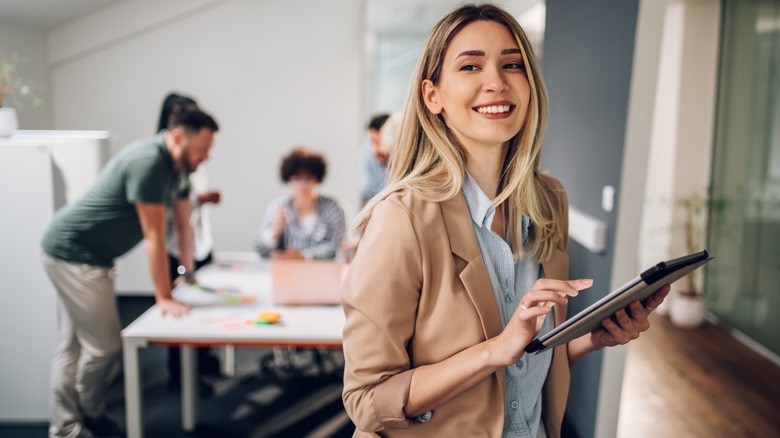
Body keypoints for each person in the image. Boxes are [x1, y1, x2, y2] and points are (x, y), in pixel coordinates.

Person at [340, 4, 670, 438]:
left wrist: (592, 338)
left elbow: (524, 368)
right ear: (432, 96)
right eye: (471, 65)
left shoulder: (549, 200)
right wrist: (495, 350)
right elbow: (366, 402)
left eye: (512, 64)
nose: (496, 82)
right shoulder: (402, 218)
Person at [41, 107, 219, 438]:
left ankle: (69, 424)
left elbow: (182, 226)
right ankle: (83, 417)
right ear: (178, 137)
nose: (205, 157)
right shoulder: (148, 162)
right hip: (74, 253)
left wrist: (188, 273)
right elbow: (153, 237)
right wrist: (163, 297)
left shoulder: (179, 169)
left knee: (74, 344)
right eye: (202, 149)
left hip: (95, 257)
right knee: (104, 346)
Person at [156, 92, 223, 392]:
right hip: (177, 248)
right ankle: (181, 377)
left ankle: (201, 364)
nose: (206, 155)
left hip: (197, 245)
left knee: (202, 307)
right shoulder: (161, 165)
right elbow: (168, 225)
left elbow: (187, 223)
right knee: (179, 312)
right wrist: (183, 270)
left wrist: (190, 267)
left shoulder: (188, 166)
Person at [254, 147, 346, 260]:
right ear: (288, 179)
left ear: (317, 179)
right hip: (286, 273)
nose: (302, 185)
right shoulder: (278, 207)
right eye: (297, 178)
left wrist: (304, 256)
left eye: (308, 178)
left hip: (321, 273)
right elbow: (260, 249)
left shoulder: (332, 208)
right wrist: (274, 231)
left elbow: (338, 247)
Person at [359, 113, 390, 206]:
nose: (374, 149)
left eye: (378, 142)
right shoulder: (366, 152)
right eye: (371, 142)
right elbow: (366, 192)